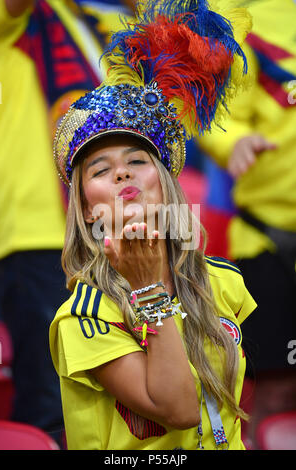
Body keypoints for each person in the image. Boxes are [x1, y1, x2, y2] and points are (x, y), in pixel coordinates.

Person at [49, 0, 257, 450]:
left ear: (165, 185)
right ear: (86, 209)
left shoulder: (224, 283)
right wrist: (147, 289)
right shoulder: (84, 315)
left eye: (137, 161)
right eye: (100, 170)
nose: (121, 173)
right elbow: (180, 411)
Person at [0, 0, 132, 443]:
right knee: (49, 400)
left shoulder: (104, 25)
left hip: (101, 234)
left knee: (112, 396)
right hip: (34, 236)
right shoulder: (24, 14)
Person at [197, 0, 296, 449]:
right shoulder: (234, 17)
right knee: (277, 389)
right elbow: (212, 112)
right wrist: (236, 142)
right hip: (269, 238)